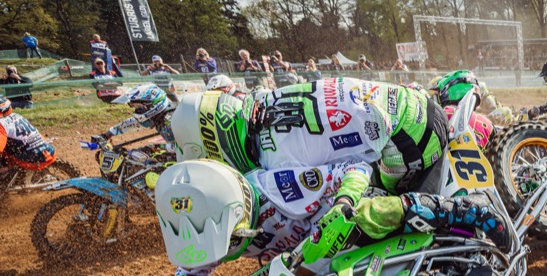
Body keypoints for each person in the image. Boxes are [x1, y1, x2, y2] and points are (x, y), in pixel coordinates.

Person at [156, 159, 509, 276]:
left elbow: (353, 168)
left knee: (368, 213)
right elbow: (192, 265)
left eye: (230, 242)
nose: (225, 253)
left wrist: (342, 204)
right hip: (309, 258)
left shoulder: (279, 186)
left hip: (345, 222)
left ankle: (463, 210)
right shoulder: (212, 219)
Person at [170, 78, 450, 196]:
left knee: (374, 209)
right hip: (418, 105)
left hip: (413, 141)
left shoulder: (273, 161)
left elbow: (348, 177)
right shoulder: (265, 98)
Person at [98, 83, 176, 151]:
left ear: (151, 105)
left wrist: (156, 148)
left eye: (139, 106)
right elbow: (134, 123)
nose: (137, 109)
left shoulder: (170, 122)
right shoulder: (159, 117)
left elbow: (180, 149)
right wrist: (108, 134)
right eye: (135, 106)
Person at [0, 95, 56, 170]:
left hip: (32, 160)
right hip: (50, 152)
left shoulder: (1, 124)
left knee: (4, 150)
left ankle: (7, 169)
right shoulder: (16, 116)